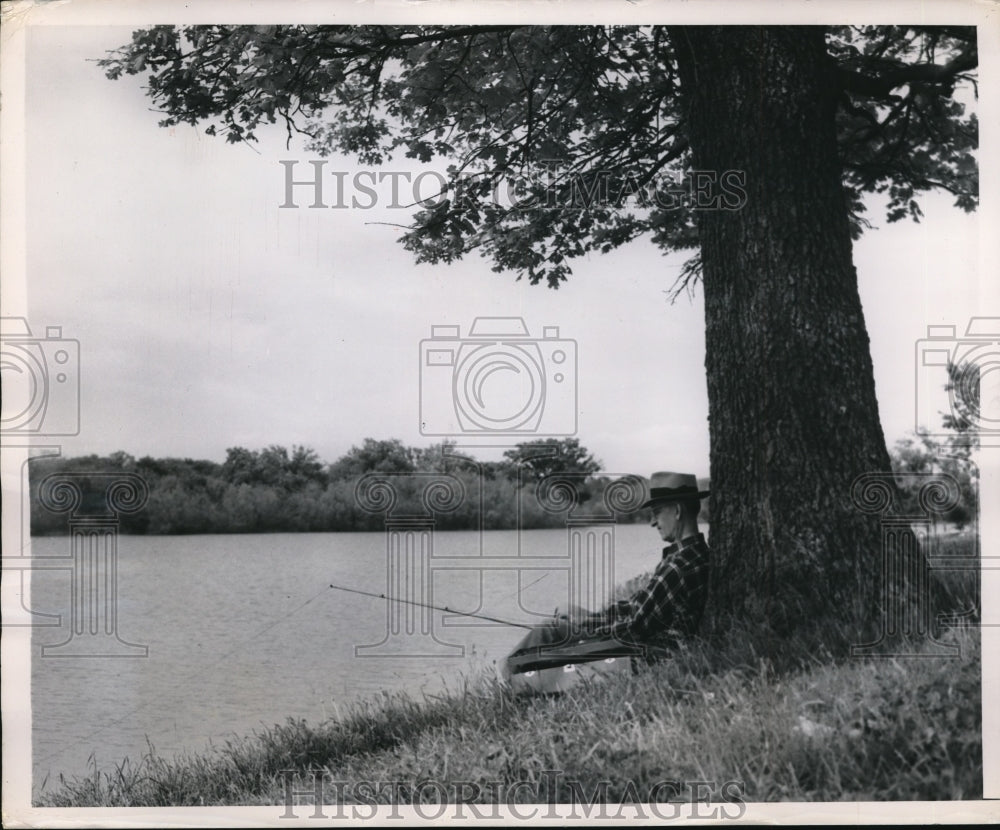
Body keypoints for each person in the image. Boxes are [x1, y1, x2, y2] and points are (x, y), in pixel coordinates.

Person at [505, 471, 711, 673]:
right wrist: (589, 617)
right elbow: (636, 606)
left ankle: (505, 681)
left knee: (548, 630)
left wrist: (584, 627)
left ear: (677, 510)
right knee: (560, 620)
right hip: (645, 650)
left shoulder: (679, 566)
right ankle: (512, 678)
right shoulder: (695, 555)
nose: (653, 522)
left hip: (644, 656)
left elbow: (634, 628)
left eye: (657, 512)